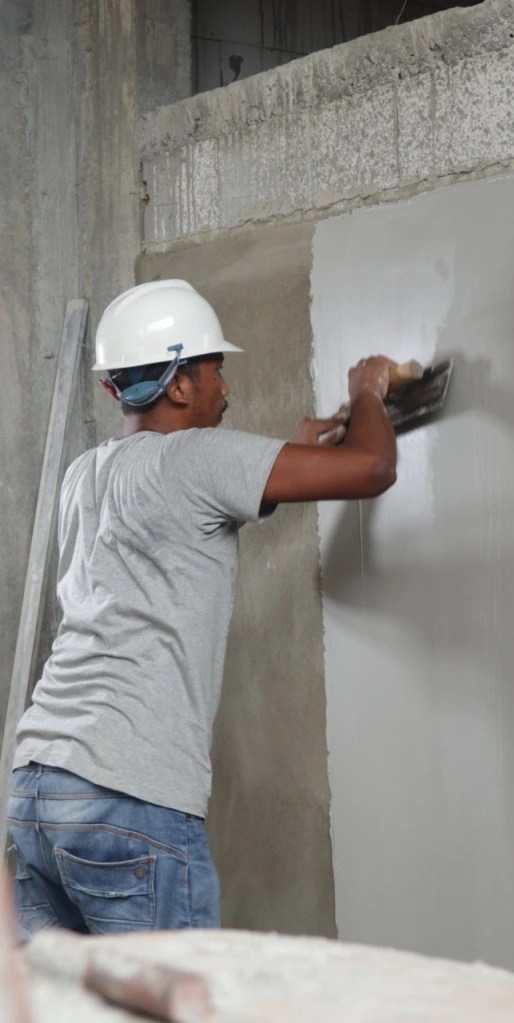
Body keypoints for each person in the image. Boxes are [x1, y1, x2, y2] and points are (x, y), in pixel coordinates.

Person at [6, 279, 397, 938]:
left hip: (40, 789)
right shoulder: (200, 457)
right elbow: (372, 468)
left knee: (71, 993)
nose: (225, 384)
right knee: (172, 990)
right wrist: (369, 392)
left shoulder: (85, 474)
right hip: (127, 796)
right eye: (216, 367)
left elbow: (181, 530)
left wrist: (288, 455)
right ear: (181, 383)